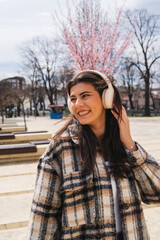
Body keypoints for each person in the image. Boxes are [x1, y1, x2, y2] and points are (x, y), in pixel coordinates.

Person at [28, 70, 160, 240]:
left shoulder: (124, 148)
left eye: (85, 96)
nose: (77, 104)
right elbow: (41, 221)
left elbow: (156, 193)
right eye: (73, 99)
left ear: (107, 98)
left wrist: (129, 144)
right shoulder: (60, 150)